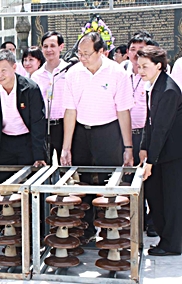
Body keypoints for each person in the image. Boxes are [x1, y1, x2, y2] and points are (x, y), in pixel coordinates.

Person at [60, 32, 134, 241]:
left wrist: (128, 147)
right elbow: (70, 111)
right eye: (79, 53)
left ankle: (112, 230)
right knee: (82, 182)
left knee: (110, 182)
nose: (82, 58)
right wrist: (67, 147)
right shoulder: (73, 73)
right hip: (81, 133)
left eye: (86, 54)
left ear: (101, 51)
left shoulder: (117, 73)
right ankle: (87, 229)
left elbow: (123, 111)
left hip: (108, 132)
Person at [0, 49, 47, 183]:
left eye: (3, 70)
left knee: (29, 185)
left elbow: (38, 122)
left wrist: (39, 155)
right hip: (4, 143)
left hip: (27, 142)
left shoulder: (30, 88)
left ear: (14, 67)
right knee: (6, 186)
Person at [137, 45, 182, 256]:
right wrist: (144, 149)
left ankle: (172, 244)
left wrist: (150, 162)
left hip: (173, 155)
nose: (140, 71)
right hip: (159, 153)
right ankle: (166, 240)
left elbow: (162, 128)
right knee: (156, 197)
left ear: (159, 65)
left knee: (171, 201)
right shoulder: (153, 86)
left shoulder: (168, 90)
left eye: (145, 66)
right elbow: (149, 122)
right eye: (139, 66)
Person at [123, 31, 158, 237]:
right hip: (128, 136)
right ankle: (135, 218)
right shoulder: (122, 73)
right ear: (127, 53)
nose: (136, 55)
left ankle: (153, 221)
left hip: (148, 135)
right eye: (133, 50)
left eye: (141, 50)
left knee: (150, 180)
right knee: (128, 179)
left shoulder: (153, 75)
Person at [32, 31, 67, 164]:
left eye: (52, 45)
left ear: (61, 47)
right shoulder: (36, 76)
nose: (49, 50)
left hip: (64, 124)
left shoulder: (69, 71)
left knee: (66, 165)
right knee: (44, 166)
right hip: (44, 125)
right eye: (45, 46)